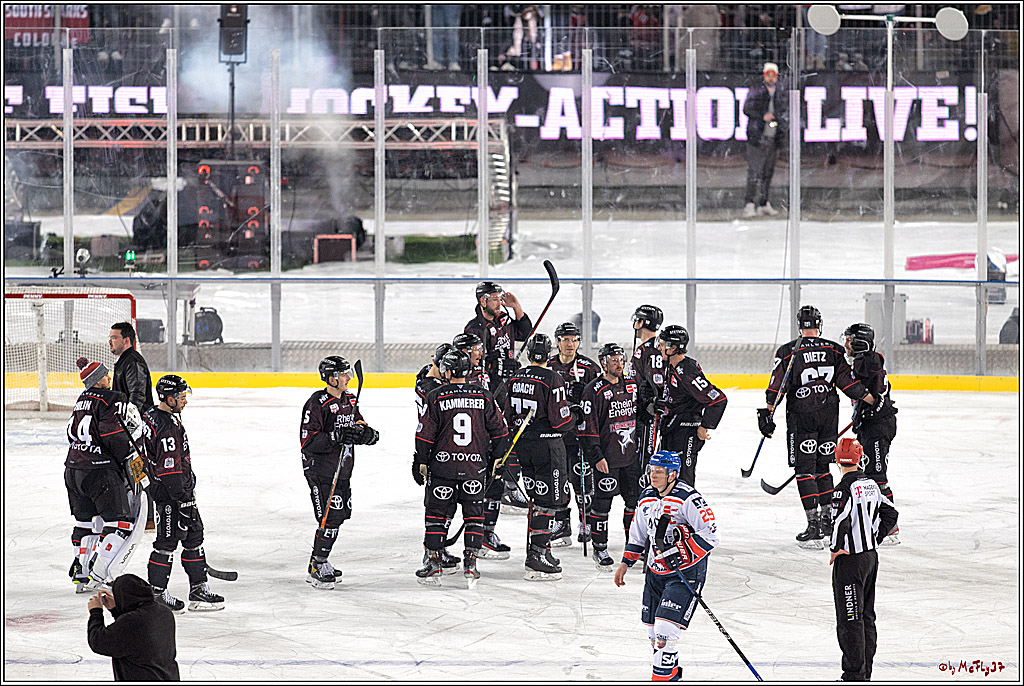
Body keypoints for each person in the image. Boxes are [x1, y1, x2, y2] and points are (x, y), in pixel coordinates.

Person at [758, 306, 872, 549]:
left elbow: (777, 386)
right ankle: (828, 521)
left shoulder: (789, 351)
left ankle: (813, 526)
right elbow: (848, 383)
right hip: (828, 413)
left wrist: (767, 413)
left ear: (799, 324)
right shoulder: (833, 348)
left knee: (804, 469)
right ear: (819, 324)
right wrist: (871, 399)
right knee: (823, 467)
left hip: (802, 415)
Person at [613, 450, 720, 682]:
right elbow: (638, 533)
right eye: (652, 471)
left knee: (665, 631)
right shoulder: (646, 497)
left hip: (685, 574)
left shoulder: (689, 498)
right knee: (653, 633)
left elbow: (712, 534)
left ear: (673, 474)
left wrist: (683, 551)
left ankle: (660, 680)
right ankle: (670, 676)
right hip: (655, 571)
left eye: (660, 472)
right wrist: (625, 563)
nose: (654, 476)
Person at [414, 349, 510, 586]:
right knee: (474, 516)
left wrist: (421, 460)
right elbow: (501, 432)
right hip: (474, 468)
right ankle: (471, 565)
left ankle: (434, 563)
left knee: (436, 515)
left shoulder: (436, 396)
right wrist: (497, 459)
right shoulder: (484, 396)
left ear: (446, 370)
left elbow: (424, 436)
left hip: (443, 468)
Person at [142, 375, 224, 613]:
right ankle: (157, 593)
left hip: (176, 491)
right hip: (171, 496)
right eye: (181, 397)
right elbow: (169, 468)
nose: (184, 401)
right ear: (168, 398)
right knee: (167, 542)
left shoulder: (156, 417)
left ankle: (198, 589)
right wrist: (183, 498)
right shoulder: (166, 425)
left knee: (194, 536)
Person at [299, 356, 379, 590]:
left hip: (342, 470)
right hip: (321, 470)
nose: (348, 378)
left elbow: (359, 424)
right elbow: (308, 440)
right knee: (329, 517)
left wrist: (366, 434)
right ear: (332, 378)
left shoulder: (350, 400)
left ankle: (320, 560)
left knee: (341, 515)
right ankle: (317, 564)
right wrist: (336, 436)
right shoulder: (317, 403)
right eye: (344, 374)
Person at [65, 357, 140, 592]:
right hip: (100, 472)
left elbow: (71, 434)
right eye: (105, 375)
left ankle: (81, 570)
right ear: (97, 381)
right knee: (120, 524)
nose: (109, 378)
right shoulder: (112, 399)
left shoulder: (81, 400)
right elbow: (114, 437)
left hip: (73, 470)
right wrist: (126, 461)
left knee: (85, 523)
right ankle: (100, 572)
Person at [505, 334, 575, 580]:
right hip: (548, 448)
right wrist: (574, 415)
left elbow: (505, 414)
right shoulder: (552, 378)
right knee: (548, 501)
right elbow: (561, 420)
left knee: (537, 497)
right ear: (549, 354)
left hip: (524, 447)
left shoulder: (515, 377)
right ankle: (536, 555)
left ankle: (538, 548)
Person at [829, 437, 899, 682]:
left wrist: (835, 547)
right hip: (870, 558)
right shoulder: (871, 484)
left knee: (850, 619)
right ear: (859, 459)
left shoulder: (842, 489)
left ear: (837, 459)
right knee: (866, 616)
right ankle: (865, 672)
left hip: (850, 561)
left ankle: (853, 675)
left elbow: (840, 520)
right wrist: (874, 538)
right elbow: (891, 512)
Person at [453, 331, 521, 556]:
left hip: (488, 438)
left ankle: (487, 532)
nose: (480, 353)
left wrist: (507, 375)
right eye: (476, 349)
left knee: (495, 485)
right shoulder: (454, 375)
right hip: (465, 445)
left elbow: (496, 399)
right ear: (464, 351)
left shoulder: (484, 371)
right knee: (462, 494)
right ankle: (444, 542)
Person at [579, 343, 640, 569]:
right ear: (603, 362)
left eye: (621, 359)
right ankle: (600, 548)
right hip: (607, 459)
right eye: (614, 360)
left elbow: (640, 415)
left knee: (634, 503)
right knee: (602, 505)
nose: (619, 364)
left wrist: (652, 406)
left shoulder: (632, 386)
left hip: (630, 459)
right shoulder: (593, 391)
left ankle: (633, 546)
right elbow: (587, 429)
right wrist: (596, 457)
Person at [843, 323, 900, 545]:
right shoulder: (864, 361)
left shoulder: (868, 360)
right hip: (872, 425)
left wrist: (871, 405)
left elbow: (873, 381)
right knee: (871, 473)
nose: (846, 344)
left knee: (878, 476)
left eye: (850, 340)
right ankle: (877, 521)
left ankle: (890, 527)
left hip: (878, 427)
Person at [547, 321, 601, 546]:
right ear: (557, 342)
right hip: (555, 436)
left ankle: (586, 522)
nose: (571, 344)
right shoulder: (548, 366)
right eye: (566, 339)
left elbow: (603, 399)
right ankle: (562, 525)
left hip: (579, 436)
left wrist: (586, 394)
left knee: (582, 482)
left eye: (575, 339)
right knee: (557, 481)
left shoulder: (589, 368)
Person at [656, 325, 728, 487]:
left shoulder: (687, 372)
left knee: (683, 480)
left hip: (685, 432)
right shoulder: (670, 365)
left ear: (673, 348)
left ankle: (684, 511)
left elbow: (718, 399)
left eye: (663, 344)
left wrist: (704, 426)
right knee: (666, 478)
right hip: (672, 429)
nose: (659, 347)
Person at [415, 343, 461, 574]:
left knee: (448, 502)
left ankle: (439, 546)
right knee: (437, 504)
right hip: (436, 450)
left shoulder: (427, 377)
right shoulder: (430, 388)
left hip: (446, 448)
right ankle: (430, 551)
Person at [86, 573, 180, 681]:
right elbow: (135, 637)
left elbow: (99, 642)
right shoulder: (164, 612)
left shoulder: (132, 622)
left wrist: (96, 612)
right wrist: (116, 610)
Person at [109, 321, 156, 530]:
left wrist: (129, 423)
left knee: (139, 471)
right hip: (130, 426)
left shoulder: (132, 362)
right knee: (130, 471)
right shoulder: (123, 361)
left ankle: (147, 518)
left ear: (126, 340)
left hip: (137, 427)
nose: (110, 341)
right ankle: (138, 515)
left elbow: (137, 396)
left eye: (114, 337)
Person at [463, 280, 533, 392]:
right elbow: (473, 361)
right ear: (483, 301)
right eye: (495, 299)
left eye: (500, 299)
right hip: (490, 386)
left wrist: (516, 307)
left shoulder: (504, 319)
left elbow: (525, 334)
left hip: (509, 380)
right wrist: (498, 365)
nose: (499, 303)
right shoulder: (474, 328)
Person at [628, 304, 665, 486]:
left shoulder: (648, 350)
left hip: (649, 416)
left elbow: (655, 386)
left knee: (645, 462)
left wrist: (648, 405)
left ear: (641, 322)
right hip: (646, 413)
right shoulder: (655, 347)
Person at [743, 62, 786, 218]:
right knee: (755, 171)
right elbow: (747, 108)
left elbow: (784, 111)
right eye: (768, 74)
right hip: (758, 136)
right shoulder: (757, 91)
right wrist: (762, 116)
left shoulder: (780, 92)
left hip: (773, 137)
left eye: (773, 75)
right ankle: (749, 203)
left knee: (768, 172)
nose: (770, 78)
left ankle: (763, 202)